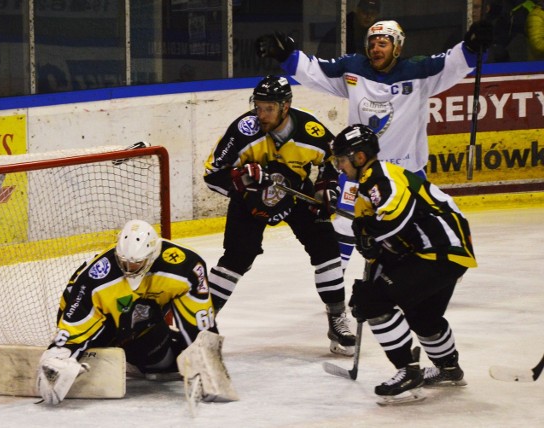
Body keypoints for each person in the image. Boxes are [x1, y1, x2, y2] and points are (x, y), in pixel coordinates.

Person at [256, 19, 492, 272]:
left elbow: (454, 64)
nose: (376, 48)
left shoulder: (421, 72)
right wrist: (288, 56)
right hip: (360, 171)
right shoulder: (354, 69)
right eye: (372, 43)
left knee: (423, 226)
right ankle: (334, 290)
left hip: (407, 172)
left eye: (383, 43)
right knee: (344, 226)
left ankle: (436, 273)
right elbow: (317, 72)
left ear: (398, 47)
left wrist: (472, 46)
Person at [203, 75, 356, 356]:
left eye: (268, 108)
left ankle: (337, 319)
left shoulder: (309, 129)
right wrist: (241, 179)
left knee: (327, 249)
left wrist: (326, 188)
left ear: (286, 106)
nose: (261, 115)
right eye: (258, 107)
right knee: (236, 259)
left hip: (296, 192)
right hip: (249, 202)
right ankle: (198, 325)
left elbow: (333, 160)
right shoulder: (242, 130)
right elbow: (212, 174)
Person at [330, 124, 477, 403]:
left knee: (373, 303)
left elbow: (394, 220)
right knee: (423, 316)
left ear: (359, 157)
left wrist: (368, 236)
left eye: (342, 159)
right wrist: (371, 250)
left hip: (439, 251)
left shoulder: (380, 178)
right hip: (445, 252)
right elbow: (378, 242)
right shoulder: (368, 185)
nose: (339, 166)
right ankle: (449, 369)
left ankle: (407, 371)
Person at [36, 219, 236, 404]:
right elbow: (74, 321)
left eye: (135, 263)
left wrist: (206, 361)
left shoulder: (186, 266)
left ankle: (141, 357)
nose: (129, 268)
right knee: (139, 313)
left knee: (162, 363)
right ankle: (109, 351)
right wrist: (57, 357)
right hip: (102, 327)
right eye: (124, 262)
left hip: (139, 324)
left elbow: (199, 319)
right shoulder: (96, 278)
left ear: (152, 255)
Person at [317, 0, 382, 57]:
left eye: (373, 13)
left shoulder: (375, 35)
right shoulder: (339, 33)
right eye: (365, 12)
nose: (368, 16)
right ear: (357, 11)